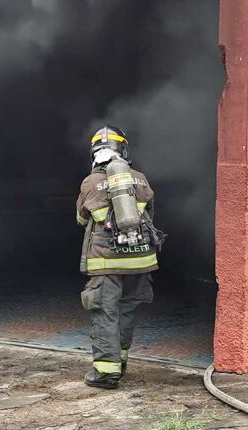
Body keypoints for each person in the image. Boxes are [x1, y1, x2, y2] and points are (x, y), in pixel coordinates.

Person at [76, 125, 162, 389]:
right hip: (141, 259)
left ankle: (105, 373)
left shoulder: (91, 182)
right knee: (126, 311)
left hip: (106, 261)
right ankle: (120, 363)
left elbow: (81, 218)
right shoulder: (140, 178)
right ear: (123, 150)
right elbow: (151, 214)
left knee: (105, 313)